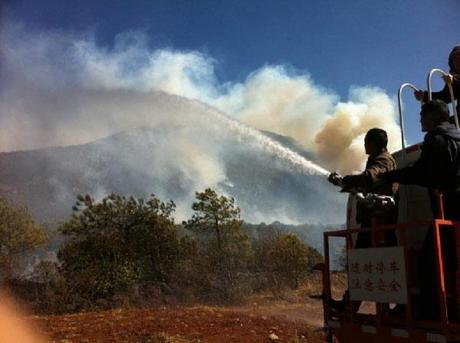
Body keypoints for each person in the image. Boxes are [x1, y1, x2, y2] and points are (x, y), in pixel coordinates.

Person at [382, 99, 460, 319]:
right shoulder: (456, 137)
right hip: (454, 213)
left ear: (433, 118)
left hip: (446, 212)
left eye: (422, 116)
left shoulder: (436, 140)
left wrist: (389, 175)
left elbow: (422, 173)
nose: (419, 120)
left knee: (428, 262)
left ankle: (430, 311)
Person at [329, 128, 399, 247]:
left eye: (366, 141)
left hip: (379, 223)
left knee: (371, 255)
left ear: (373, 143)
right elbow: (365, 187)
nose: (364, 144)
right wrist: (343, 182)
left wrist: (346, 180)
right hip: (374, 221)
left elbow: (369, 178)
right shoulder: (378, 159)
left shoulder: (383, 160)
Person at [414, 45, 460, 118]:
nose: (456, 61)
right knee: (438, 125)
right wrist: (424, 96)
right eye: (454, 59)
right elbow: (444, 97)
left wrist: (454, 80)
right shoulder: (452, 81)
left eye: (459, 57)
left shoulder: (454, 80)